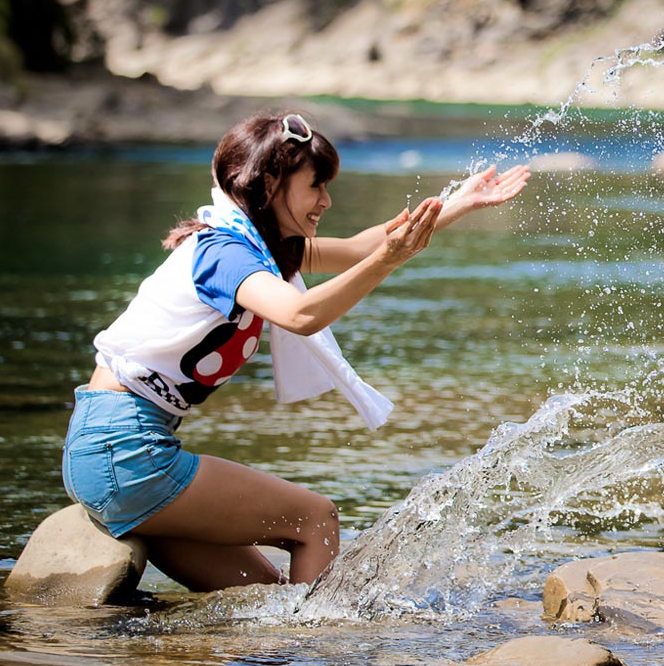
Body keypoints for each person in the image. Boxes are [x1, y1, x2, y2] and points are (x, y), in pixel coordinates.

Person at [62, 112, 530, 591]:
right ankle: (319, 642)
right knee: (315, 519)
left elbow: (359, 248)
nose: (326, 200)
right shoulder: (224, 253)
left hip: (111, 450)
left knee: (264, 595)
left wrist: (458, 203)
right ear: (268, 184)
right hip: (126, 450)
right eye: (316, 186)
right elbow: (301, 314)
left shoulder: (255, 246)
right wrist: (390, 260)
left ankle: (288, 641)